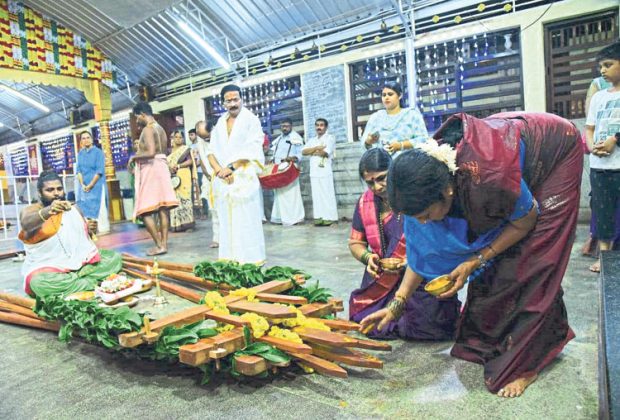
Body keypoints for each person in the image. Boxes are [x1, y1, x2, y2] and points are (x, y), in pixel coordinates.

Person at [360, 112, 582, 398]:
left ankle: (529, 362)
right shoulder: (420, 187)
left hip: (554, 150)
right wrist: (396, 305)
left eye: (427, 215)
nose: (423, 222)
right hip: (504, 143)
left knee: (532, 263)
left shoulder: (490, 180)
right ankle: (491, 340)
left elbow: (525, 220)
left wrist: (476, 259)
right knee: (497, 262)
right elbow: (420, 252)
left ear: (447, 190)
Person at [349, 148, 459, 339]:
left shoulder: (413, 196)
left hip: (419, 272)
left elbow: (434, 241)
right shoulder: (364, 203)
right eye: (370, 182)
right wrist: (368, 258)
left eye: (382, 178)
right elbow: (354, 243)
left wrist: (409, 261)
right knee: (364, 317)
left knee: (428, 327)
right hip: (382, 278)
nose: (377, 187)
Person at [18, 171, 121, 298]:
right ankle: (92, 283)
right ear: (40, 193)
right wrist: (49, 211)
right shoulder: (32, 210)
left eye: (59, 189)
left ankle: (77, 283)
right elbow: (26, 223)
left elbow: (84, 239)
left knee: (114, 258)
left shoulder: (73, 209)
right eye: (49, 190)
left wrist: (89, 229)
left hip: (79, 264)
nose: (56, 193)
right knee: (39, 283)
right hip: (49, 268)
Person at [206, 84, 265, 263]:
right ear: (223, 103)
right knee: (226, 224)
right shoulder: (219, 123)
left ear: (241, 99)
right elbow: (211, 152)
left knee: (246, 223)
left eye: (236, 99)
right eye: (229, 101)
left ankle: (250, 262)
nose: (233, 104)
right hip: (223, 180)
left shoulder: (251, 120)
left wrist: (231, 168)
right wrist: (219, 171)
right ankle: (229, 261)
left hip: (243, 179)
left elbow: (253, 149)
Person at [584, 42, 620, 272]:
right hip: (600, 166)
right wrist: (592, 147)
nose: (603, 71)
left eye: (608, 65)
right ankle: (605, 258)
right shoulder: (598, 98)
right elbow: (589, 128)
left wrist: (614, 139)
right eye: (601, 67)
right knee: (603, 213)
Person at [130, 102, 179, 256]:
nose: (137, 121)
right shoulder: (161, 129)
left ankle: (159, 245)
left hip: (152, 168)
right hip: (161, 167)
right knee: (163, 208)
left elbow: (150, 152)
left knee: (143, 211)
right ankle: (163, 244)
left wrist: (133, 157)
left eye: (137, 117)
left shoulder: (148, 129)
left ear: (141, 114)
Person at [361, 81, 428, 155]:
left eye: (390, 94)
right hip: (381, 164)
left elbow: (424, 140)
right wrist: (368, 141)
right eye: (384, 95)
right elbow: (364, 144)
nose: (386, 97)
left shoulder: (411, 115)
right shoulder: (375, 117)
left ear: (400, 96)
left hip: (407, 162)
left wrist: (401, 145)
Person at [302, 118, 339, 226]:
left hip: (325, 171)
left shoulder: (330, 138)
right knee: (317, 196)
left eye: (322, 125)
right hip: (314, 172)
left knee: (327, 194)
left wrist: (312, 151)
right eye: (317, 125)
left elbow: (325, 153)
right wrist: (316, 148)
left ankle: (330, 218)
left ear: (326, 127)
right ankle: (319, 218)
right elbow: (304, 152)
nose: (319, 127)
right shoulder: (312, 140)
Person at [269, 118, 305, 226]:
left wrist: (292, 158)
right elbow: (275, 152)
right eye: (282, 126)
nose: (284, 128)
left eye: (286, 126)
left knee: (291, 194)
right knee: (279, 194)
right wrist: (272, 159)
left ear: (291, 126)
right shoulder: (279, 139)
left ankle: (294, 218)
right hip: (278, 169)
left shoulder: (296, 138)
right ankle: (280, 217)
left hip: (290, 169)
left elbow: (300, 154)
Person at [75, 130, 109, 234]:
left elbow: (99, 171)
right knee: (85, 207)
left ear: (92, 139)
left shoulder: (98, 153)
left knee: (100, 207)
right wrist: (82, 185)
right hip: (84, 186)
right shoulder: (80, 154)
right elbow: (79, 171)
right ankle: (90, 230)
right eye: (83, 138)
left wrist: (91, 185)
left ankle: (103, 229)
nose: (86, 140)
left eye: (88, 138)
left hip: (97, 184)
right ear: (81, 141)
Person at [195, 120, 219, 248]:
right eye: (203, 137)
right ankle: (217, 238)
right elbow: (203, 161)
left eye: (207, 136)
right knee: (214, 209)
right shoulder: (201, 141)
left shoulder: (219, 135)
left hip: (223, 176)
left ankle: (229, 237)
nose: (206, 139)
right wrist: (208, 175)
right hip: (210, 179)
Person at [167, 130, 195, 232]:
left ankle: (188, 225)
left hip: (184, 175)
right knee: (174, 200)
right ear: (173, 138)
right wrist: (170, 168)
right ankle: (177, 225)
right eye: (176, 137)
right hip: (173, 177)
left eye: (180, 137)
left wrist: (178, 165)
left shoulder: (185, 149)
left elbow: (190, 161)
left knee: (185, 199)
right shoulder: (169, 151)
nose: (178, 139)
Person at [188, 128, 208, 220]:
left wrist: (196, 164)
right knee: (194, 193)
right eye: (189, 135)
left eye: (192, 134)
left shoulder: (200, 145)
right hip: (192, 172)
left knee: (202, 190)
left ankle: (205, 212)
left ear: (196, 135)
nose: (190, 136)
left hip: (200, 171)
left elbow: (203, 157)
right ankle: (197, 213)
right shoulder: (189, 147)